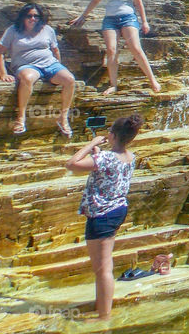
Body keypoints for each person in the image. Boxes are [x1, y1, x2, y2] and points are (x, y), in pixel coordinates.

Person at [65, 113, 143, 320]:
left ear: (112, 135)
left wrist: (91, 144)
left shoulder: (104, 158)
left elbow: (71, 165)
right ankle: (103, 309)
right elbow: (108, 168)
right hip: (118, 210)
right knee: (104, 266)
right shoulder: (130, 156)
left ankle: (104, 317)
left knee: (103, 269)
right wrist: (99, 152)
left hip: (102, 215)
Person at [69, 0, 160, 94]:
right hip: (110, 20)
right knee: (111, 50)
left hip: (128, 18)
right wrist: (82, 16)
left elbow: (139, 3)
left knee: (135, 48)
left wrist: (144, 21)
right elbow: (95, 1)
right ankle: (113, 85)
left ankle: (152, 80)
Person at [0, 3, 76, 136]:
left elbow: (55, 50)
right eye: (29, 16)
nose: (33, 19)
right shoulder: (13, 30)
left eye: (36, 16)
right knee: (27, 78)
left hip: (50, 64)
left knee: (70, 79)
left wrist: (58, 67)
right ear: (23, 17)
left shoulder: (47, 29)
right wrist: (3, 74)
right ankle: (21, 118)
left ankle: (63, 118)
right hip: (27, 65)